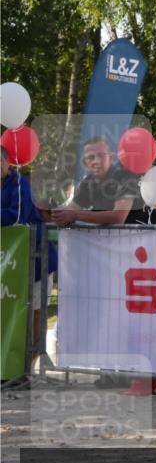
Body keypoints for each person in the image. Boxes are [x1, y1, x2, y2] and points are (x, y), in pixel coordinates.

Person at [2, 146, 58, 347]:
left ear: (7, 162)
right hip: (9, 262)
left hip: (36, 258)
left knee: (35, 312)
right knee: (10, 310)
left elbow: (16, 215)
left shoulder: (20, 183)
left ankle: (35, 359)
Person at [51, 136, 148, 226]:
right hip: (109, 240)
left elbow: (118, 217)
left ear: (111, 158)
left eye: (101, 156)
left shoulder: (126, 177)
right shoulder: (87, 182)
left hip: (138, 238)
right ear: (85, 163)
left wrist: (75, 215)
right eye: (91, 157)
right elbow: (73, 207)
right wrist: (58, 213)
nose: (96, 161)